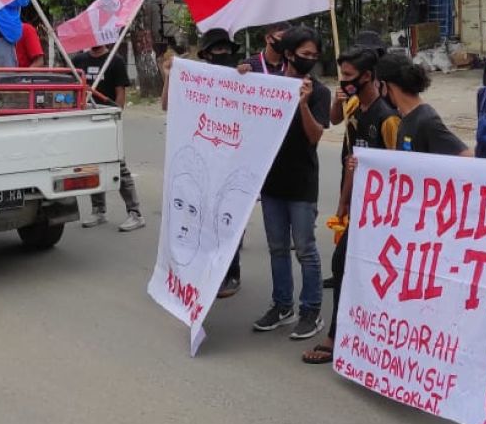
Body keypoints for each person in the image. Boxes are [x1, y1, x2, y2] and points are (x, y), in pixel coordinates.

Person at [302, 44, 400, 366]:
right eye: (341, 75)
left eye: (348, 76)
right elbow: (350, 162)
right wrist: (343, 203)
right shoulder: (354, 106)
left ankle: (342, 336)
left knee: (359, 271)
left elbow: (401, 174)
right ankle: (344, 332)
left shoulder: (387, 120)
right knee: (343, 266)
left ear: (368, 76)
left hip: (381, 217)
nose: (343, 81)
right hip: (356, 208)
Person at [253, 26, 331, 341]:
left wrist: (302, 104)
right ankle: (282, 305)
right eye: (304, 54)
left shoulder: (319, 93)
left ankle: (310, 310)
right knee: (277, 248)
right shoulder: (268, 86)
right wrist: (241, 76)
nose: (309, 59)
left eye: (314, 55)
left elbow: (314, 137)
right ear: (288, 54)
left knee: (306, 250)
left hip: (301, 183)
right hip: (271, 182)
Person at [166, 27, 246, 298]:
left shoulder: (243, 76)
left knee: (229, 218)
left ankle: (231, 272)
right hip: (204, 160)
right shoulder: (195, 78)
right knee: (202, 217)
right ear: (207, 54)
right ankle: (206, 270)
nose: (222, 53)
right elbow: (168, 105)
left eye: (226, 49)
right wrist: (169, 77)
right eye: (217, 49)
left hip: (232, 160)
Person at [74, 44, 144, 233]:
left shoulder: (116, 60)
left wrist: (116, 115)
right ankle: (98, 210)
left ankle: (135, 213)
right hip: (85, 120)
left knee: (118, 166)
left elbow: (120, 93)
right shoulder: (78, 61)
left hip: (107, 120)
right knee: (92, 166)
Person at [375, 53, 470, 156]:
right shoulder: (405, 117)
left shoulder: (426, 120)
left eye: (377, 85)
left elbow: (467, 156)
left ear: (384, 85)